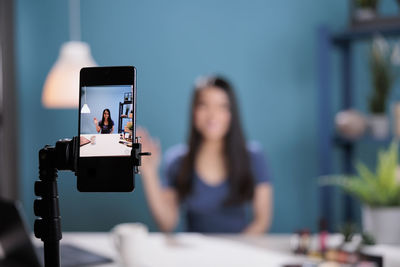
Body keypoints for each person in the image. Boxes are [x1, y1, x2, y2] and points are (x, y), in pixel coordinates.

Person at [139, 76, 272, 234]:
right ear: (194, 111)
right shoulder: (177, 161)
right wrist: (149, 174)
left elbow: (262, 221)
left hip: (239, 251)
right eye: (204, 105)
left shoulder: (253, 157)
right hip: (194, 254)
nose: (212, 115)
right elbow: (167, 224)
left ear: (232, 113)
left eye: (222, 106)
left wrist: (233, 252)